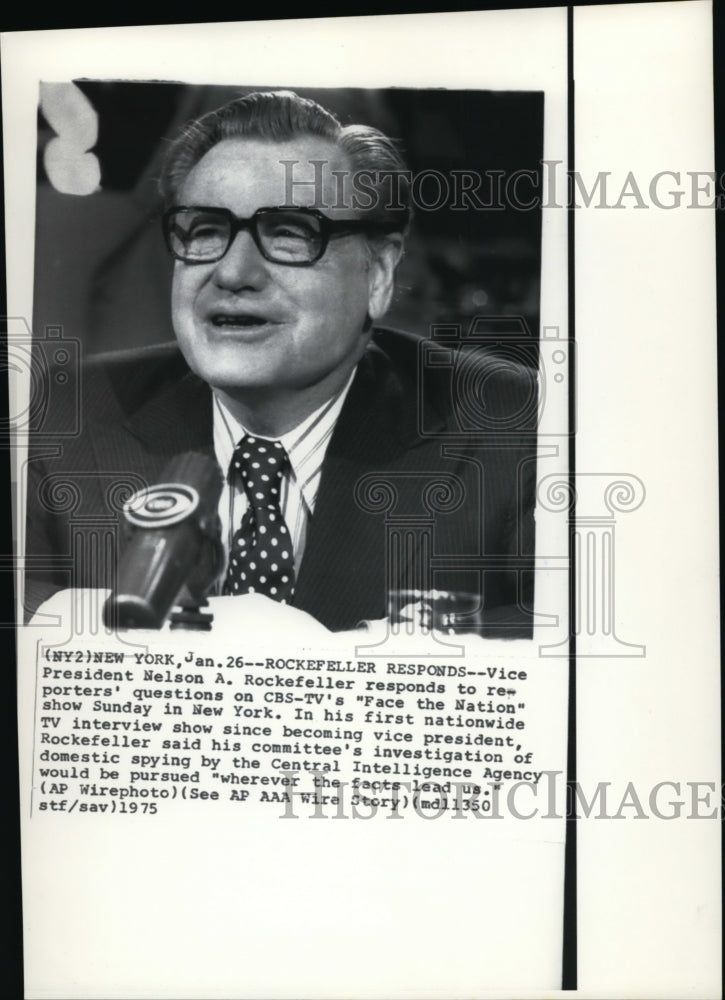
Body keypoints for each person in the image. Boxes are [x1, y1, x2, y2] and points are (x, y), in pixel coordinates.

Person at [24, 90, 537, 634]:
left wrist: (348, 651)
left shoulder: (512, 423)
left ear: (379, 274)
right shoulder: (63, 413)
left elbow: (571, 623)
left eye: (290, 235)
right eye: (206, 231)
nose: (233, 272)